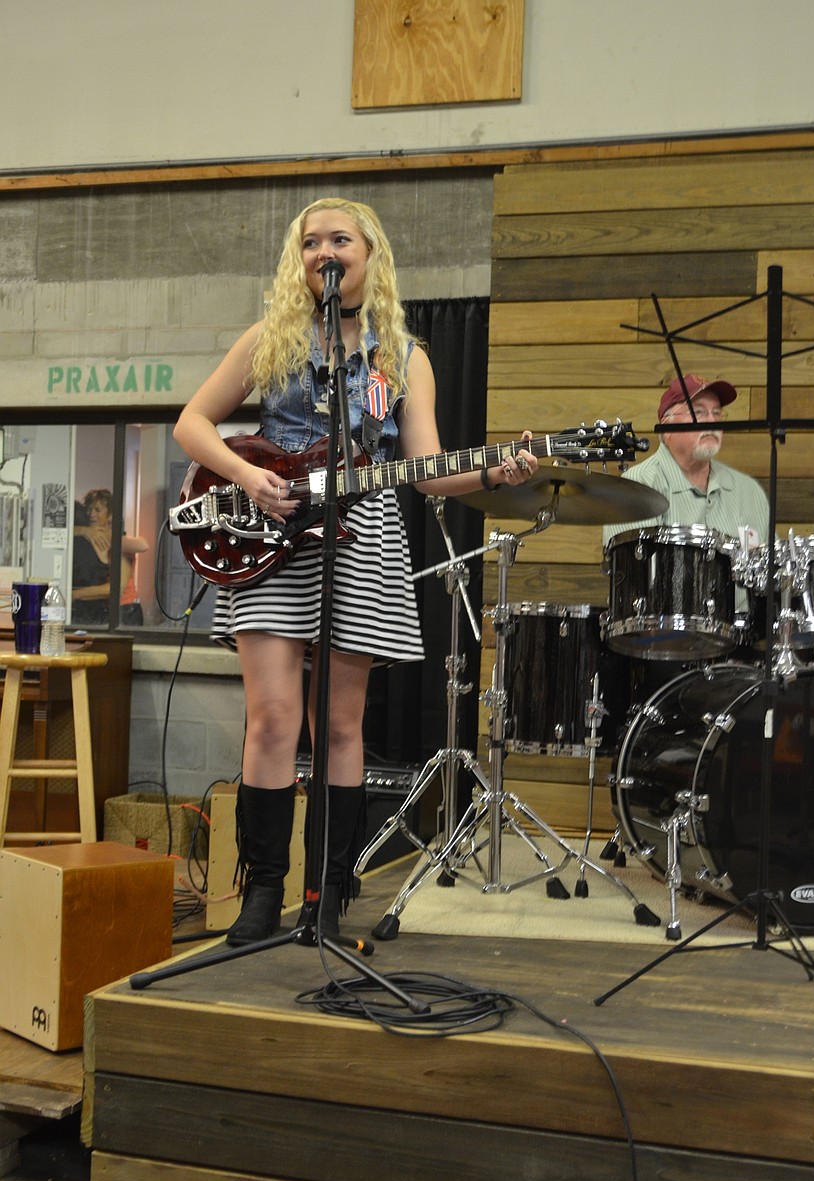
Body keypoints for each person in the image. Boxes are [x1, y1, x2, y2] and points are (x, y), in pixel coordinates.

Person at [173, 196, 540, 948]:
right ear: (298, 259)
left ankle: (329, 890)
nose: (323, 252)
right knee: (274, 719)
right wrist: (245, 475)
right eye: (310, 242)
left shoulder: (401, 358)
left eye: (340, 239)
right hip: (271, 529)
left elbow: (427, 471)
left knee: (339, 725)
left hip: (362, 533)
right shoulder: (268, 340)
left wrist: (496, 474)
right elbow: (191, 423)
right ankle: (262, 888)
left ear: (370, 256)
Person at [602, 373, 769, 548]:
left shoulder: (750, 492)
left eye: (717, 413)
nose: (712, 421)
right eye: (699, 412)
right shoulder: (635, 488)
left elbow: (768, 570)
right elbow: (633, 571)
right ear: (667, 426)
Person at [71, 489, 149, 626]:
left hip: (126, 609)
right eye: (89, 509)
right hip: (108, 609)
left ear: (110, 515)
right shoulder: (89, 537)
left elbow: (117, 588)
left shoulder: (119, 541)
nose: (91, 514)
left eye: (98, 510)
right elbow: (65, 532)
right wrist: (84, 531)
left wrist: (75, 594)